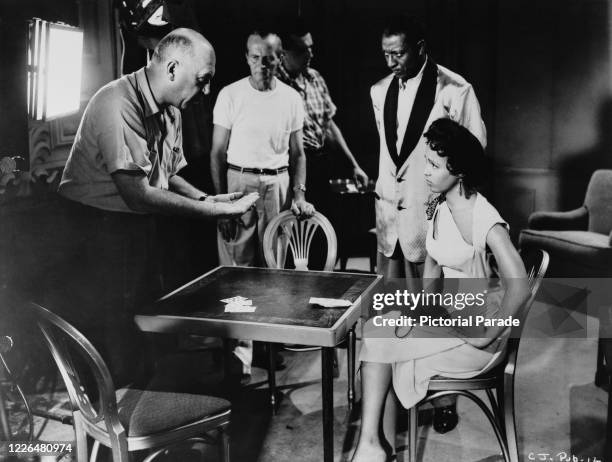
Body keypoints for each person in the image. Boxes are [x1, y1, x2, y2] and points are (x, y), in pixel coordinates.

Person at [55, 28, 259, 385]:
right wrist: (213, 214)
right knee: (113, 337)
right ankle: (114, 432)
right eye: (202, 80)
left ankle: (146, 420)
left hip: (134, 226)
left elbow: (165, 176)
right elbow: (139, 193)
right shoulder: (117, 103)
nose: (207, 90)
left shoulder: (171, 112)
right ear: (172, 69)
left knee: (142, 331)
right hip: (95, 230)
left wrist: (205, 198)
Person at [351, 118, 529, 462]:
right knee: (377, 326)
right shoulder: (439, 205)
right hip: (450, 318)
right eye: (426, 163)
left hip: (476, 335)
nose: (425, 173)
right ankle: (375, 444)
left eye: (434, 165)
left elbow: (519, 286)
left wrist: (487, 335)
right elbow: (433, 264)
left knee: (380, 342)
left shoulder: (484, 217)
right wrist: (419, 310)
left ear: (459, 170)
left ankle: (372, 446)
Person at [210, 32, 315, 375]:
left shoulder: (291, 98)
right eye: (255, 58)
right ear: (246, 58)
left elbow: (299, 153)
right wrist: (219, 204)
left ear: (279, 58)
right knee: (237, 273)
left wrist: (298, 192)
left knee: (274, 270)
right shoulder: (230, 95)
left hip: (278, 182)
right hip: (239, 183)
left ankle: (267, 349)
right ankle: (238, 355)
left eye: (268, 58)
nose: (262, 65)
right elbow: (216, 153)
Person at [371, 16, 486, 285]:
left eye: (398, 54)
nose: (390, 63)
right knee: (385, 317)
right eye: (386, 54)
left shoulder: (456, 90)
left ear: (420, 47)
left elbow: (474, 156)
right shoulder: (378, 90)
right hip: (389, 220)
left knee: (427, 316)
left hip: (431, 220)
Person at [273, 25, 369, 218]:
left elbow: (329, 127)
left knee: (325, 224)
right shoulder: (274, 86)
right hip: (291, 169)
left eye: (311, 47)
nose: (310, 54)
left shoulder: (315, 77)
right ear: (283, 54)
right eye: (302, 50)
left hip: (321, 164)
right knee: (295, 228)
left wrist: (354, 166)